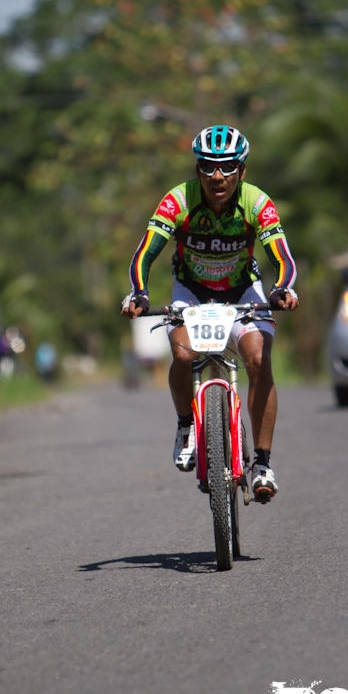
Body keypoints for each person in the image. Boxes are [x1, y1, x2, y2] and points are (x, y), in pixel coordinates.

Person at [121, 125, 298, 503]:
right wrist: (139, 292)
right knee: (183, 355)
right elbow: (144, 253)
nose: (218, 176)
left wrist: (282, 288)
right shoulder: (178, 200)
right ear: (197, 169)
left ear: (242, 170)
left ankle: (262, 463)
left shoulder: (257, 203)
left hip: (242, 292)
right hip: (192, 292)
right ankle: (187, 425)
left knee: (257, 358)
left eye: (228, 167)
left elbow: (282, 256)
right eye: (208, 166)